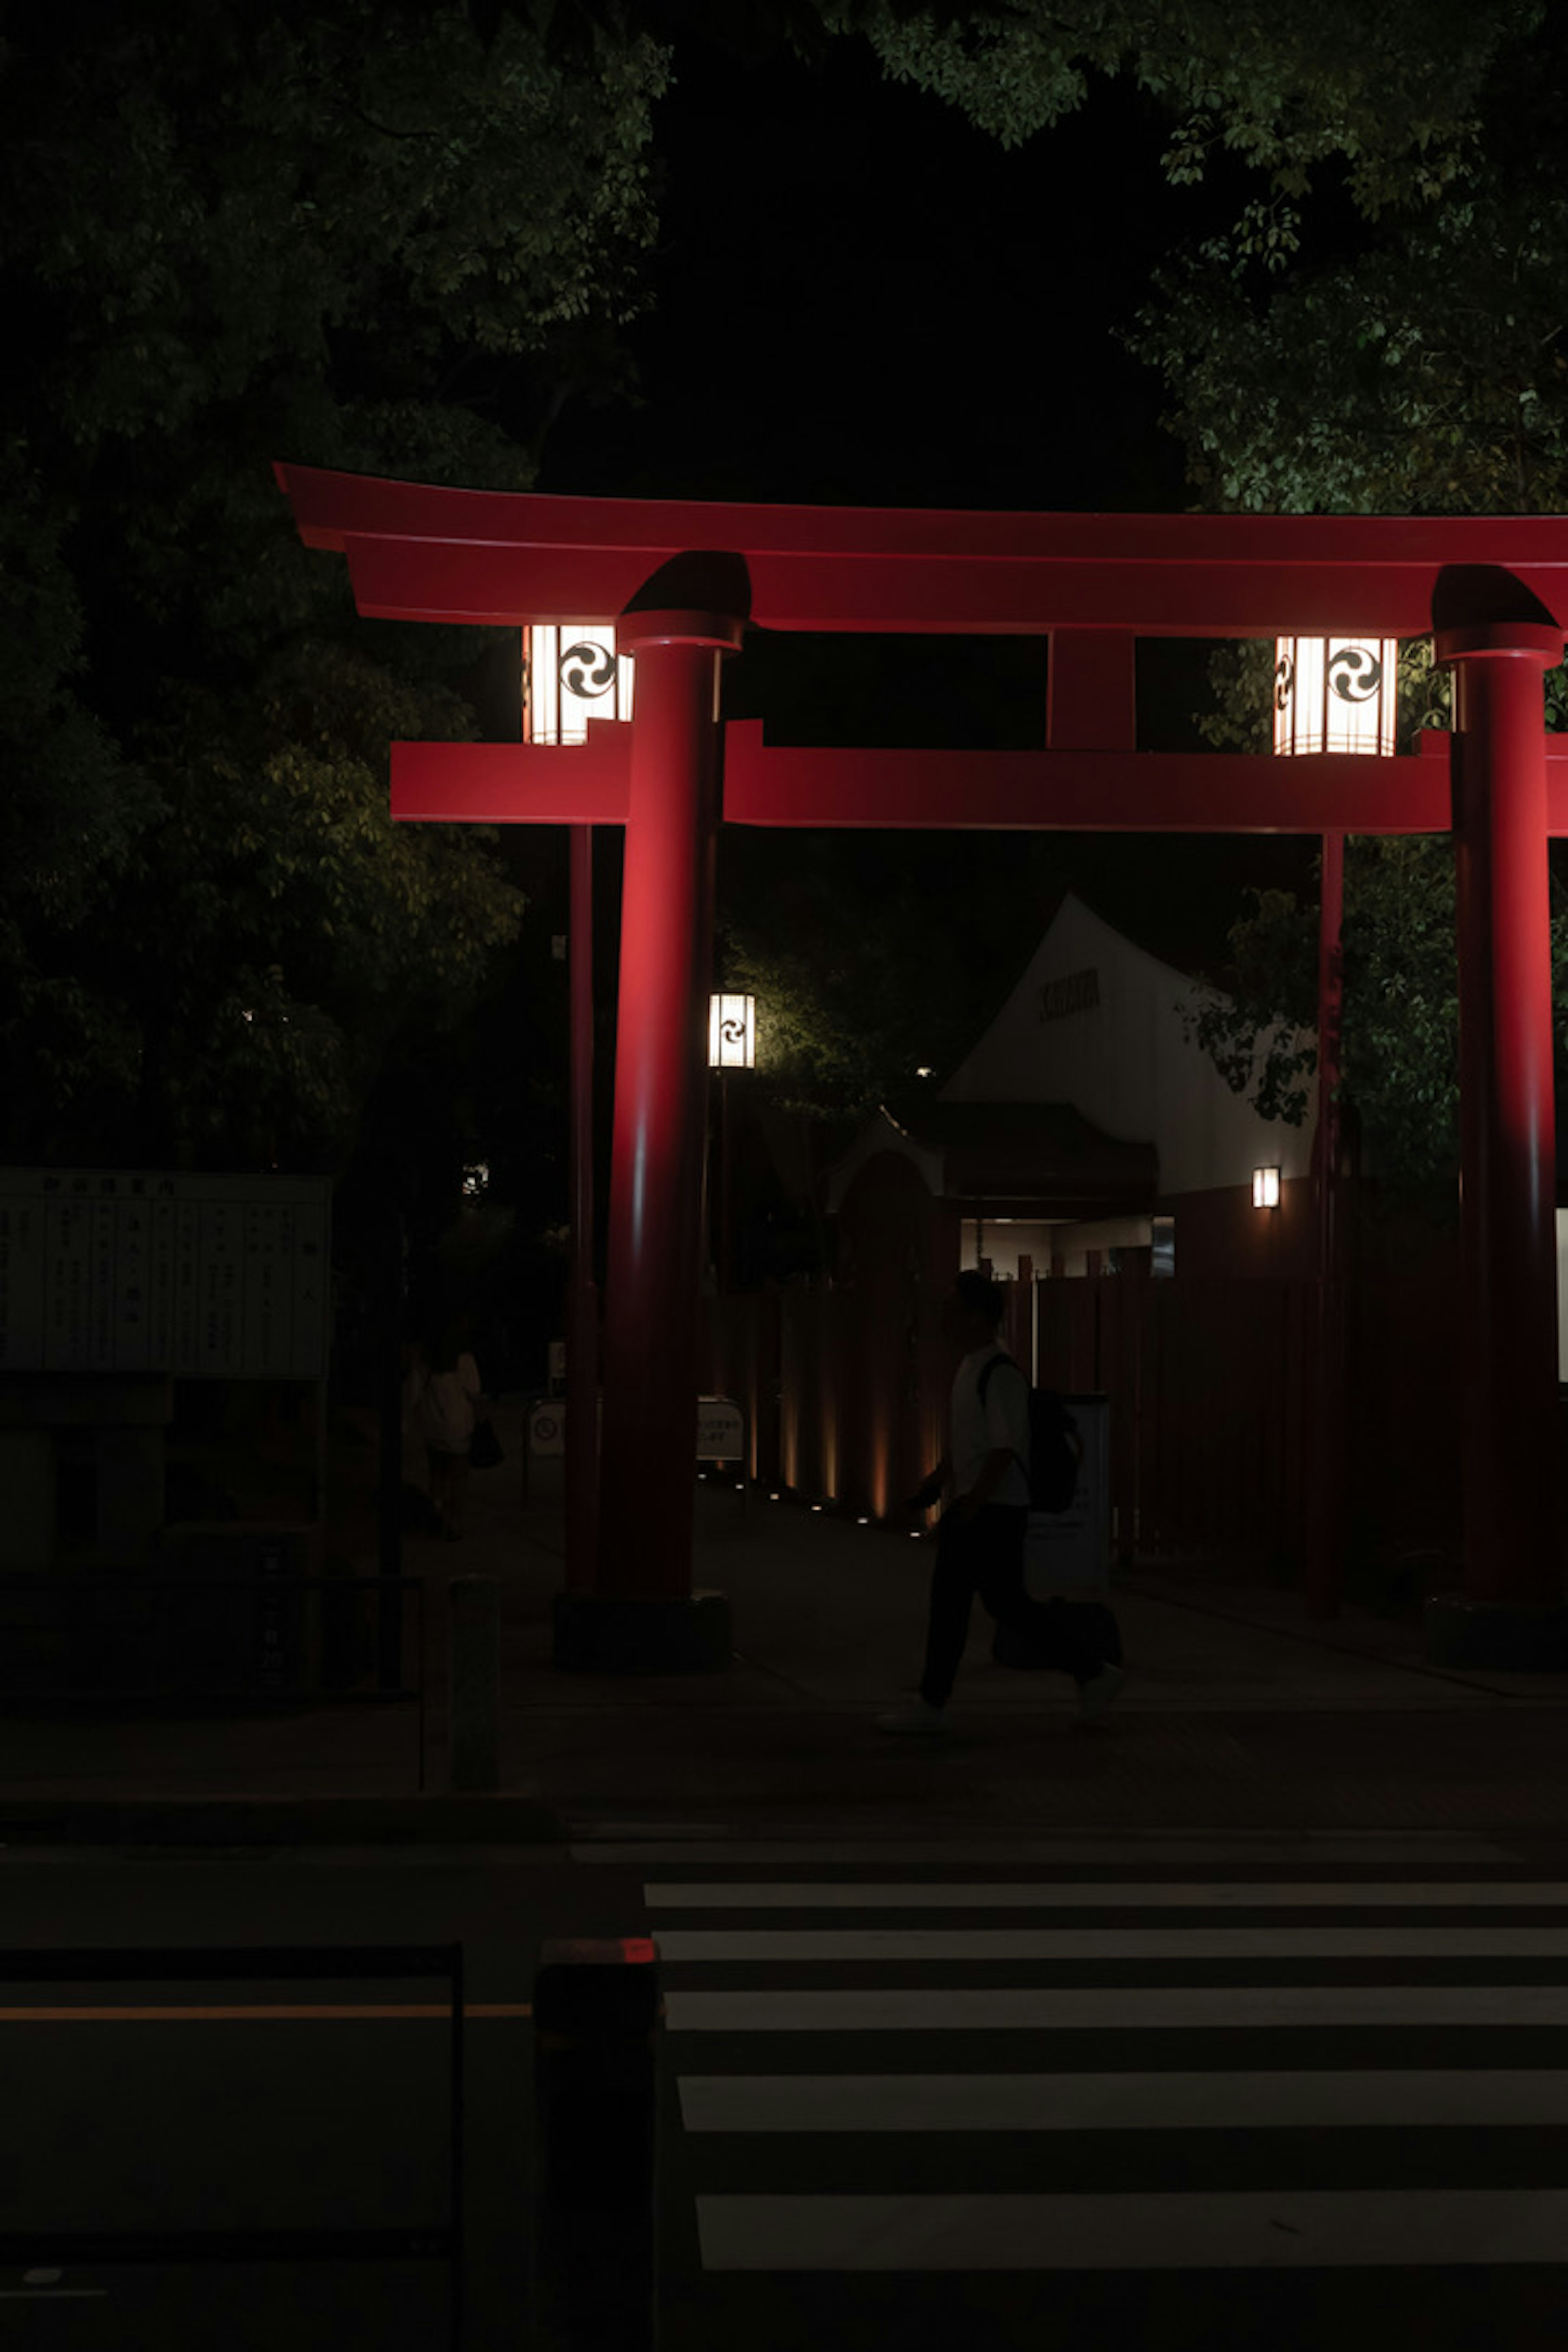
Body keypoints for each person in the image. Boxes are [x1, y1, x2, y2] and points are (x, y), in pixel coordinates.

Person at [875, 1268, 1125, 1737]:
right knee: (1007, 1605)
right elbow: (974, 1442)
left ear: (976, 1317)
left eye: (953, 1308)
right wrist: (938, 1481)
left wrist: (971, 1502)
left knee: (953, 1603)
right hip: (988, 1509)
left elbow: (1004, 1447)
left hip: (992, 1512)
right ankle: (1093, 1672)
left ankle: (933, 1701)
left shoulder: (999, 1372)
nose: (945, 1317)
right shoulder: (973, 1367)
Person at [412, 1321, 483, 1541]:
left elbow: (414, 1394)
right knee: (458, 1479)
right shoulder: (464, 1360)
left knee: (437, 1475)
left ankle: (437, 1514)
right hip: (458, 1427)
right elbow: (474, 1391)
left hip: (433, 1426)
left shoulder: (426, 1364)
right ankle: (453, 1523)